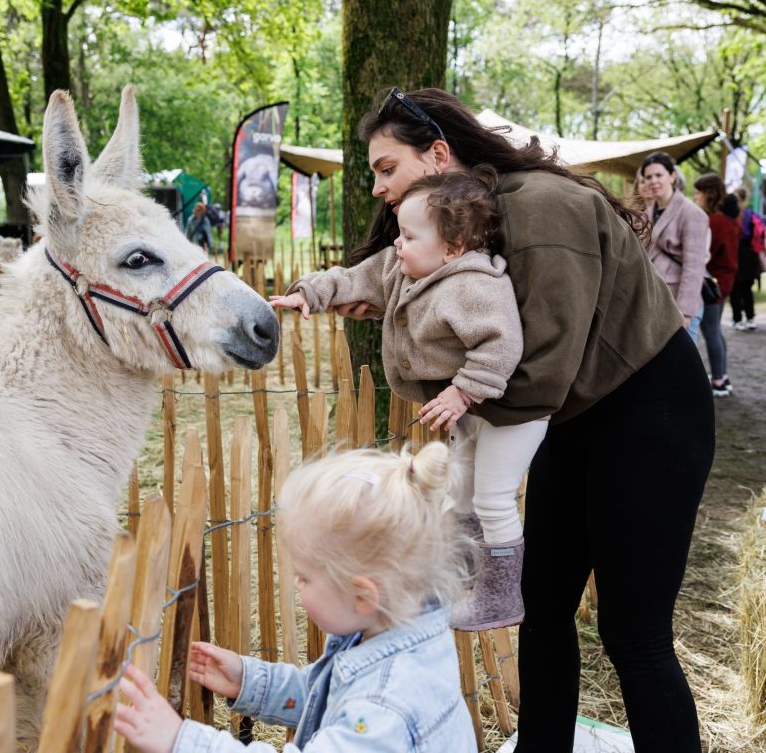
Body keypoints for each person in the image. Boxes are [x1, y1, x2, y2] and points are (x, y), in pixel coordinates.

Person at [323, 87, 713, 753]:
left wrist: (457, 397)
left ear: (438, 154)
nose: (378, 188)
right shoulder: (466, 226)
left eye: (388, 168)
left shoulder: (541, 207)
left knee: (633, 633)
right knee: (544, 612)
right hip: (572, 420)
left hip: (650, 416)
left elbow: (541, 365)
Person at [270, 167, 547, 631]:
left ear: (453, 248)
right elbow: (355, 278)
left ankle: (501, 596)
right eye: (400, 234)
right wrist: (310, 294)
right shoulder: (403, 268)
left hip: (511, 413)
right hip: (476, 411)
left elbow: (501, 346)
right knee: (460, 491)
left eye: (410, 236)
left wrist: (463, 390)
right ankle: (460, 571)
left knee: (494, 498)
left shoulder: (476, 285)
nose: (397, 245)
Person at [114, 443, 477, 753]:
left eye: (305, 577)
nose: (295, 583)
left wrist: (181, 739)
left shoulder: (385, 708)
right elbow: (328, 699)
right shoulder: (399, 632)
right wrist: (250, 682)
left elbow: (357, 714)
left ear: (363, 595)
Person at [641, 151, 710, 343]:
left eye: (658, 175)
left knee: (684, 369)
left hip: (679, 302)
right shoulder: (648, 212)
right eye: (648, 177)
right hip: (654, 299)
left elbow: (694, 266)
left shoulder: (691, 213)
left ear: (672, 176)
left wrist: (685, 311)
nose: (653, 181)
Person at [693, 174, 739, 396]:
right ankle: (723, 375)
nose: (695, 196)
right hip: (721, 281)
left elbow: (708, 255)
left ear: (708, 193)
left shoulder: (716, 222)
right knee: (715, 331)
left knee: (710, 330)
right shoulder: (725, 219)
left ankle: (719, 381)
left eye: (698, 192)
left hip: (714, 283)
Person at [730, 186, 765, 330]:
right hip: (750, 256)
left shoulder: (732, 215)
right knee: (746, 289)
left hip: (735, 253)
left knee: (735, 289)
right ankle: (751, 318)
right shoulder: (752, 214)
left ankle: (737, 320)